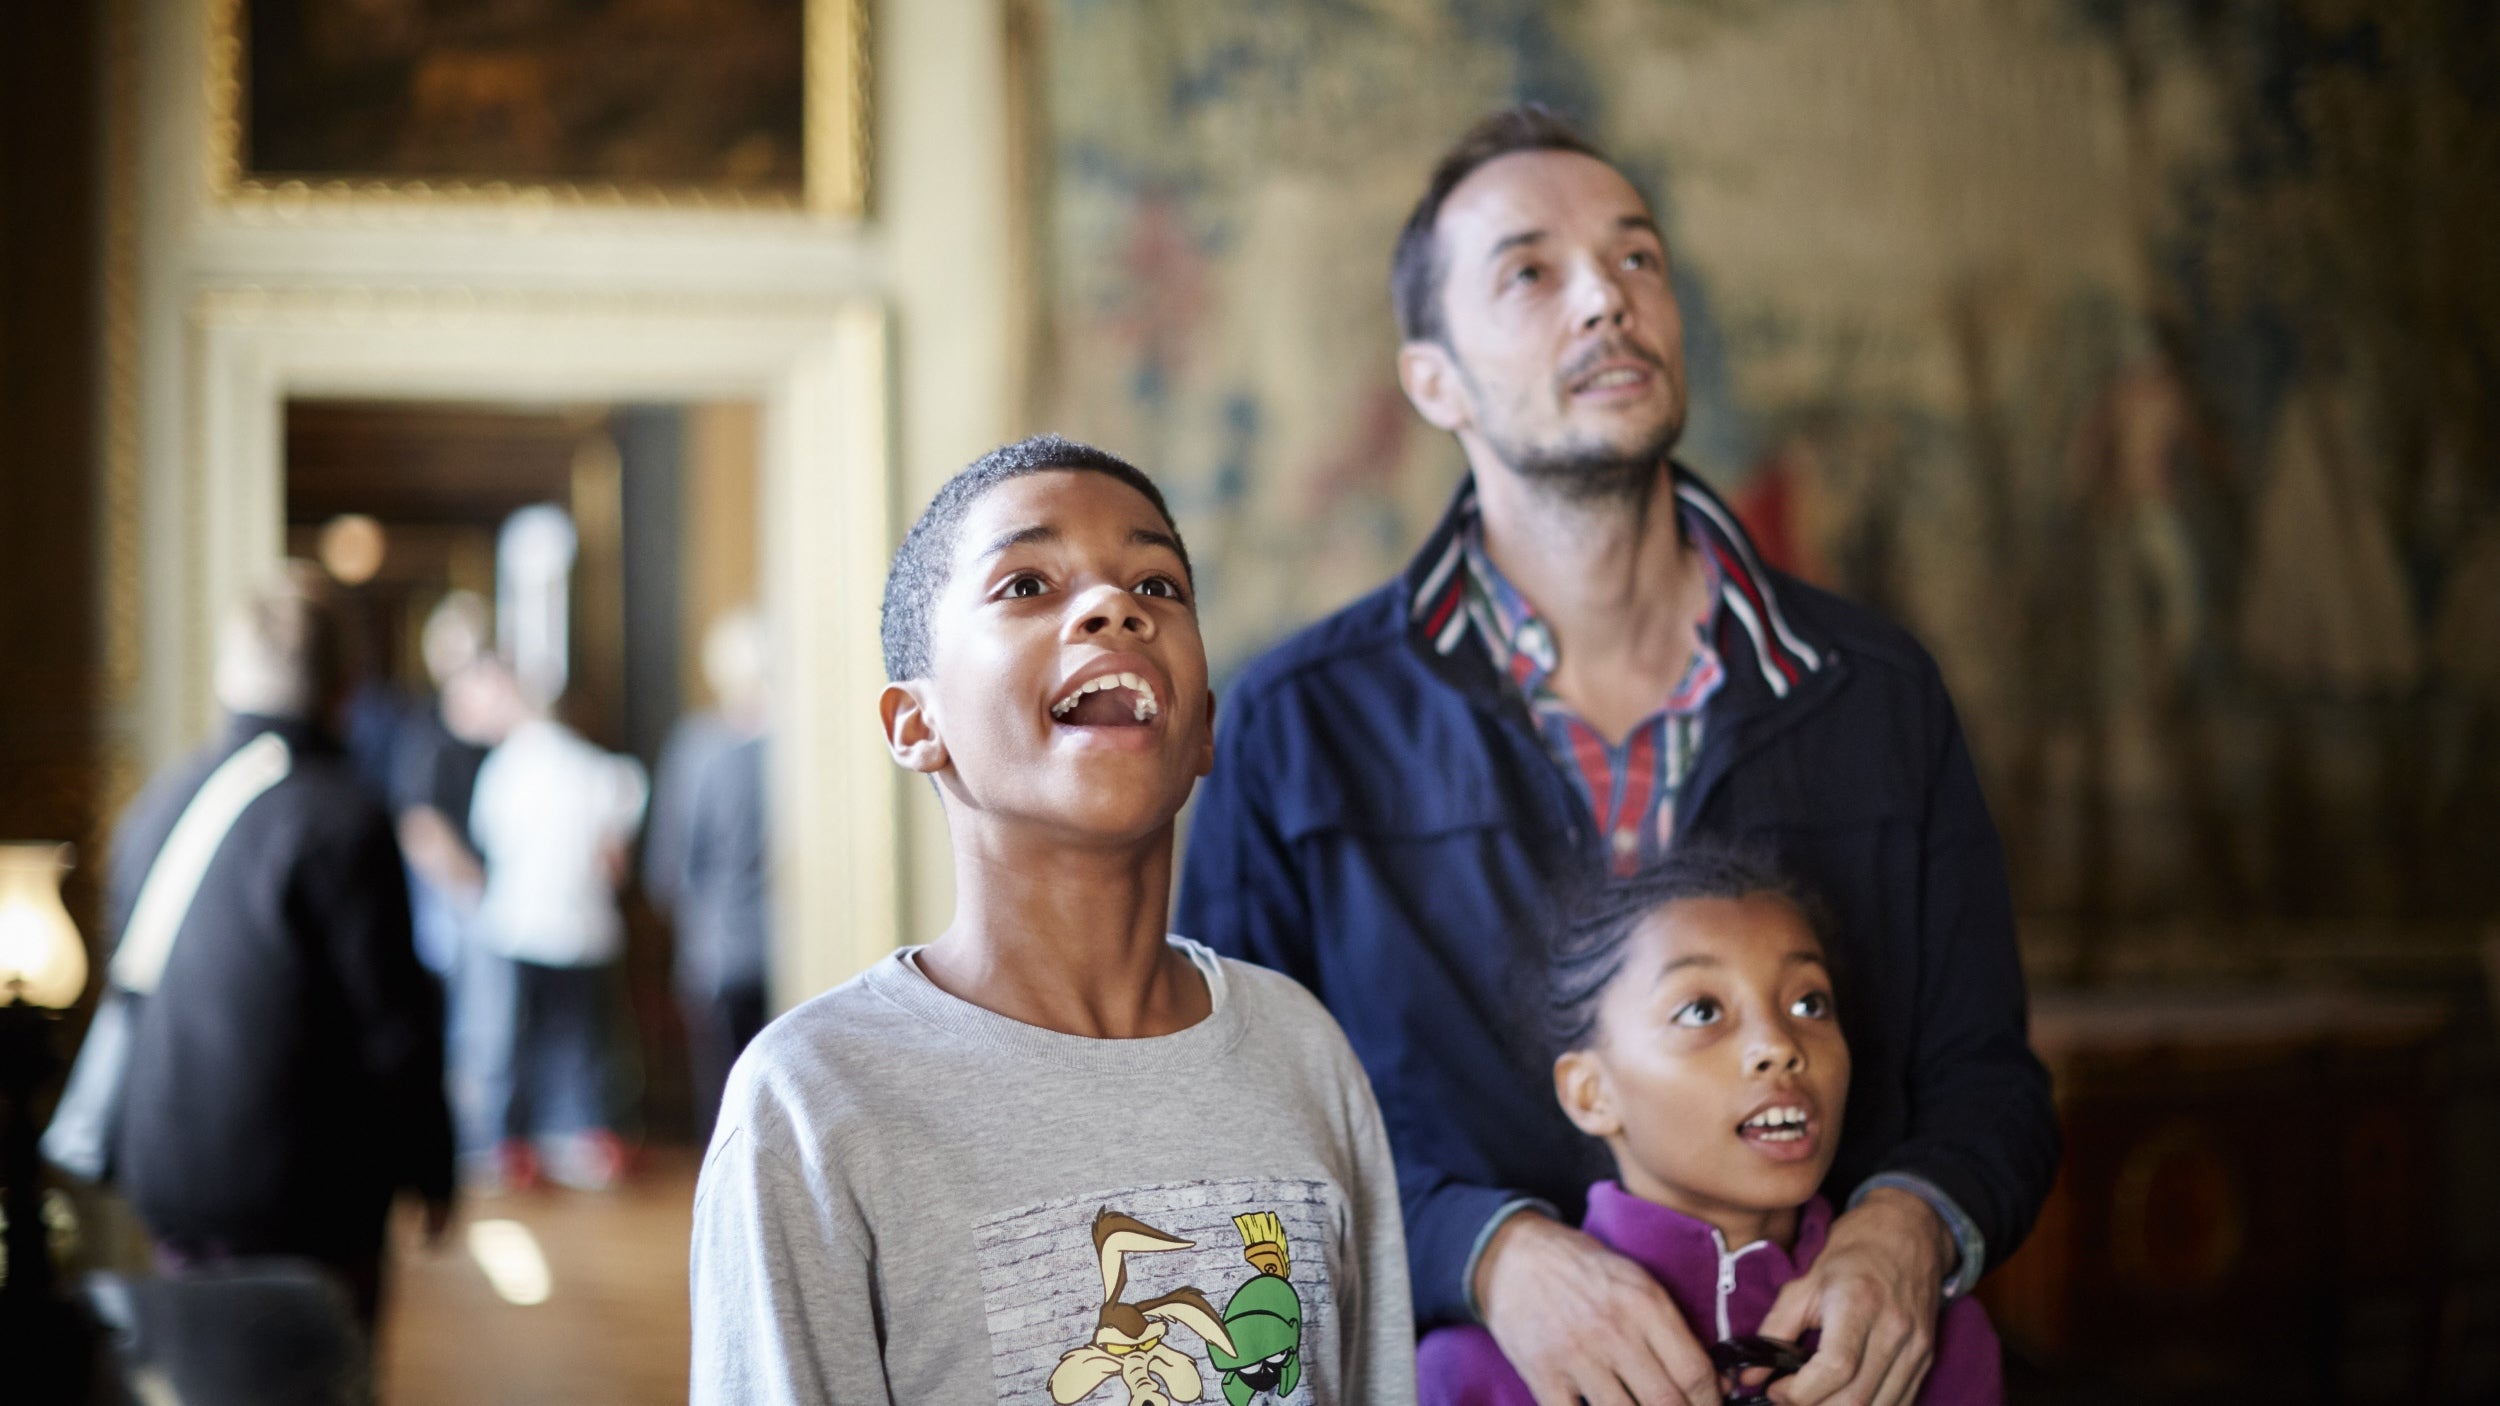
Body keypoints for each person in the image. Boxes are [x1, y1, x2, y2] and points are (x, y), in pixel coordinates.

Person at [1177, 107, 2058, 1406]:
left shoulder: (1877, 691)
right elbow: (1225, 1133)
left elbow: (1989, 1082)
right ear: (1434, 380)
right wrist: (1483, 1254)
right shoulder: (1295, 724)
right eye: (1530, 271)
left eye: (1637, 257)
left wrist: (1912, 1223)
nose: (1606, 296)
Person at [690, 435, 1416, 1404]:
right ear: (917, 723)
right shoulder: (814, 1102)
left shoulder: (1303, 1050)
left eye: (1156, 586)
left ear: (1203, 726)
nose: (1115, 607)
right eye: (1026, 584)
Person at [1417, 847, 2003, 1405]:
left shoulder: (1937, 1344)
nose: (1778, 1045)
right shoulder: (1466, 1376)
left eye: (1809, 1004)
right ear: (1590, 1093)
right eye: (1702, 1011)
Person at [107, 562, 454, 1329]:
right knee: (316, 1376)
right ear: (347, 685)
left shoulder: (159, 804)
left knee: (197, 1369)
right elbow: (391, 1023)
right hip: (309, 1196)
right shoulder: (345, 818)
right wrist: (433, 1169)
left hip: (168, 1178)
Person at [464, 658, 648, 1190]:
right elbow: (614, 863)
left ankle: (513, 1146)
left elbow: (490, 842)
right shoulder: (604, 774)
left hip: (517, 925)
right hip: (584, 927)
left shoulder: (503, 769)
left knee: (515, 1042)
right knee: (585, 1042)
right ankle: (590, 1138)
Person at [646, 607, 772, 1141]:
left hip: (720, 951)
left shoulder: (698, 749)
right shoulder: (807, 750)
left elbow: (669, 868)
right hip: (796, 949)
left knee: (726, 1106)